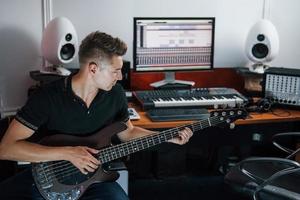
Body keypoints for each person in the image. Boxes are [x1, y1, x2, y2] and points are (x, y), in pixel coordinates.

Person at [0, 31, 193, 200]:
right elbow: (6, 149)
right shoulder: (47, 97)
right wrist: (68, 153)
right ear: (93, 68)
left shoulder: (115, 93)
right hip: (50, 180)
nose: (120, 77)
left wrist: (168, 137)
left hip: (95, 179)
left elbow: (127, 133)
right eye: (115, 71)